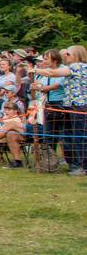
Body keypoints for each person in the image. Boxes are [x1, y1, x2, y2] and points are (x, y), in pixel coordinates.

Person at [32, 44, 87, 175]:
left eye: (67, 54)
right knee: (71, 137)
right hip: (72, 106)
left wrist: (34, 70)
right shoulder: (74, 67)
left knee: (79, 137)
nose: (65, 56)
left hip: (79, 107)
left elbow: (53, 73)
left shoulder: (77, 66)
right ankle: (75, 164)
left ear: (76, 55)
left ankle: (81, 167)